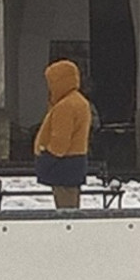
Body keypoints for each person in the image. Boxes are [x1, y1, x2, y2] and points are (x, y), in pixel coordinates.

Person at [32, 60, 91, 209]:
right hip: (75, 163)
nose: (49, 87)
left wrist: (47, 159)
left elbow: (60, 141)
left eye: (51, 82)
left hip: (63, 166)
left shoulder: (65, 106)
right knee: (72, 206)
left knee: (65, 211)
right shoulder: (81, 102)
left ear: (60, 81)